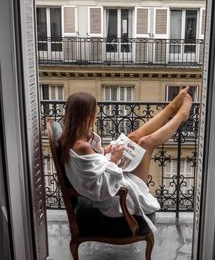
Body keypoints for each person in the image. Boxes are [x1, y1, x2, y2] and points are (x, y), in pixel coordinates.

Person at [59, 87, 192, 231]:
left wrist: (107, 150)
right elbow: (100, 186)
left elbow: (92, 166)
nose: (95, 117)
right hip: (116, 200)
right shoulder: (81, 146)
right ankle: (182, 115)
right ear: (86, 117)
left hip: (113, 187)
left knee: (132, 137)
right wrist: (115, 159)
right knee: (146, 142)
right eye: (94, 113)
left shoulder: (72, 138)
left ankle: (171, 108)